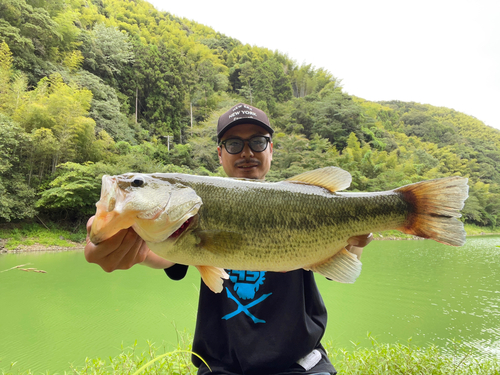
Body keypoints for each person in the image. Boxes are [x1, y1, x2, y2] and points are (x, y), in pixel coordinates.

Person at [85, 103, 373, 375]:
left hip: (302, 365)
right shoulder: (186, 219)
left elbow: (343, 269)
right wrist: (112, 243)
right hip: (221, 369)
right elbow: (152, 254)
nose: (246, 152)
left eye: (258, 142)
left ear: (271, 149)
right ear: (220, 154)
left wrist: (357, 237)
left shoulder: (302, 198)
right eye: (234, 144)